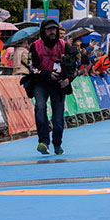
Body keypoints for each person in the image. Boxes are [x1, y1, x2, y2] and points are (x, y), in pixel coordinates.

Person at [28, 19, 77, 155]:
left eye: (54, 29)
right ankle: (43, 141)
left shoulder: (64, 45)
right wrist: (47, 74)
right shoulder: (35, 46)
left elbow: (74, 66)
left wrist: (68, 79)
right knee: (40, 107)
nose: (52, 32)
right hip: (41, 82)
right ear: (43, 31)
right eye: (49, 30)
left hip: (58, 84)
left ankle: (57, 143)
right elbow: (31, 67)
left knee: (58, 116)